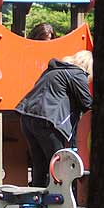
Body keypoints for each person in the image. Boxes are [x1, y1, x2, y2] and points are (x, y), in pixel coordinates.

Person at [15, 50, 92, 189]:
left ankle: (37, 196)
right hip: (48, 121)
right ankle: (59, 196)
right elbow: (87, 103)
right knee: (59, 163)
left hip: (27, 117)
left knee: (39, 163)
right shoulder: (77, 74)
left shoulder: (51, 71)